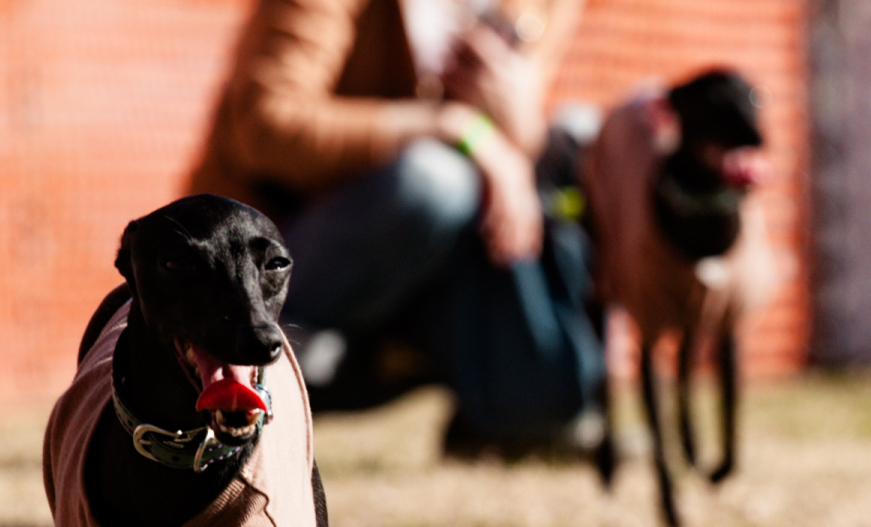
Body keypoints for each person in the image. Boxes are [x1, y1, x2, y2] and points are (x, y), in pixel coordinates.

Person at [188, 0, 602, 460]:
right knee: (435, 182)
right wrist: (458, 129)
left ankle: (530, 405)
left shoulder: (539, 7)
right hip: (282, 257)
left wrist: (522, 130)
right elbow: (265, 125)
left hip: (447, 253)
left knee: (585, 137)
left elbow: (514, 151)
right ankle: (250, 364)